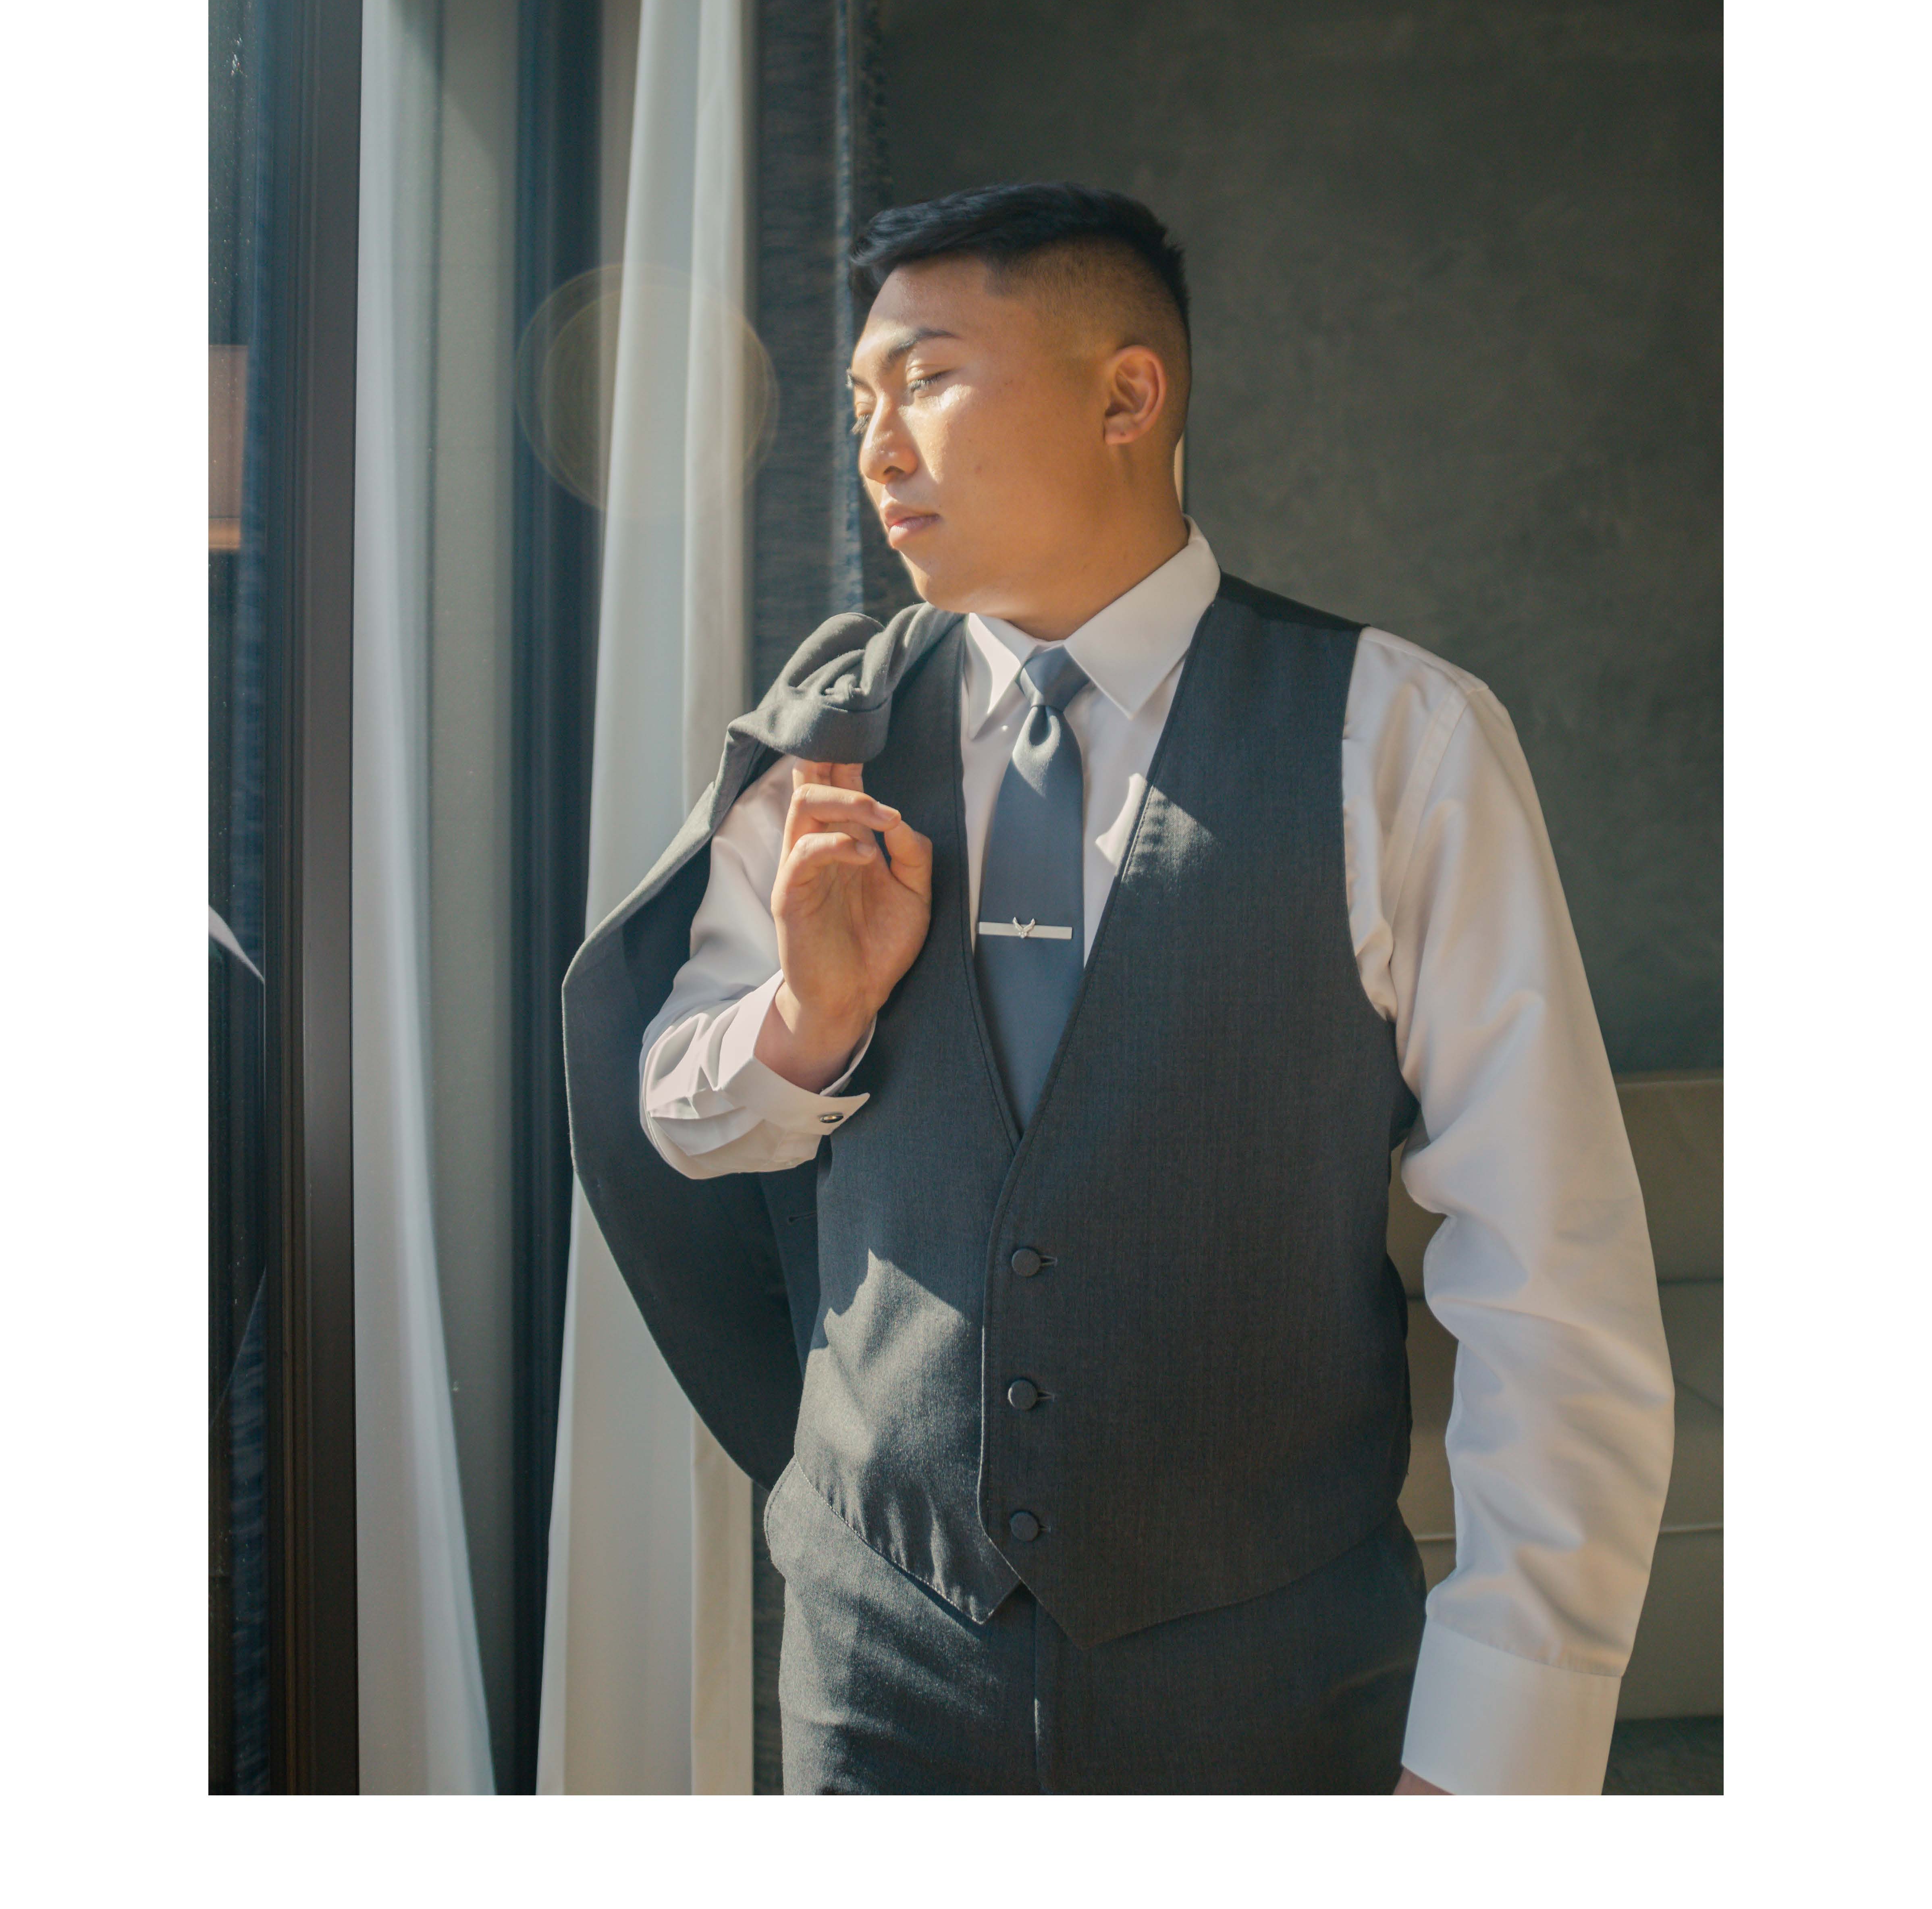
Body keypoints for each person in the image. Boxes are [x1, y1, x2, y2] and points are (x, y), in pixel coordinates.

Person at [560, 182, 1676, 1795]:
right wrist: (805, 1021)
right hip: (877, 1682)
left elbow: (1547, 1263)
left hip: (1279, 1690)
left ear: (1125, 396)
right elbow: (680, 1120)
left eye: (928, 379)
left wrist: (1496, 1752)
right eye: (860, 402)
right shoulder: (829, 734)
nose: (878, 447)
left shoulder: (1397, 737)